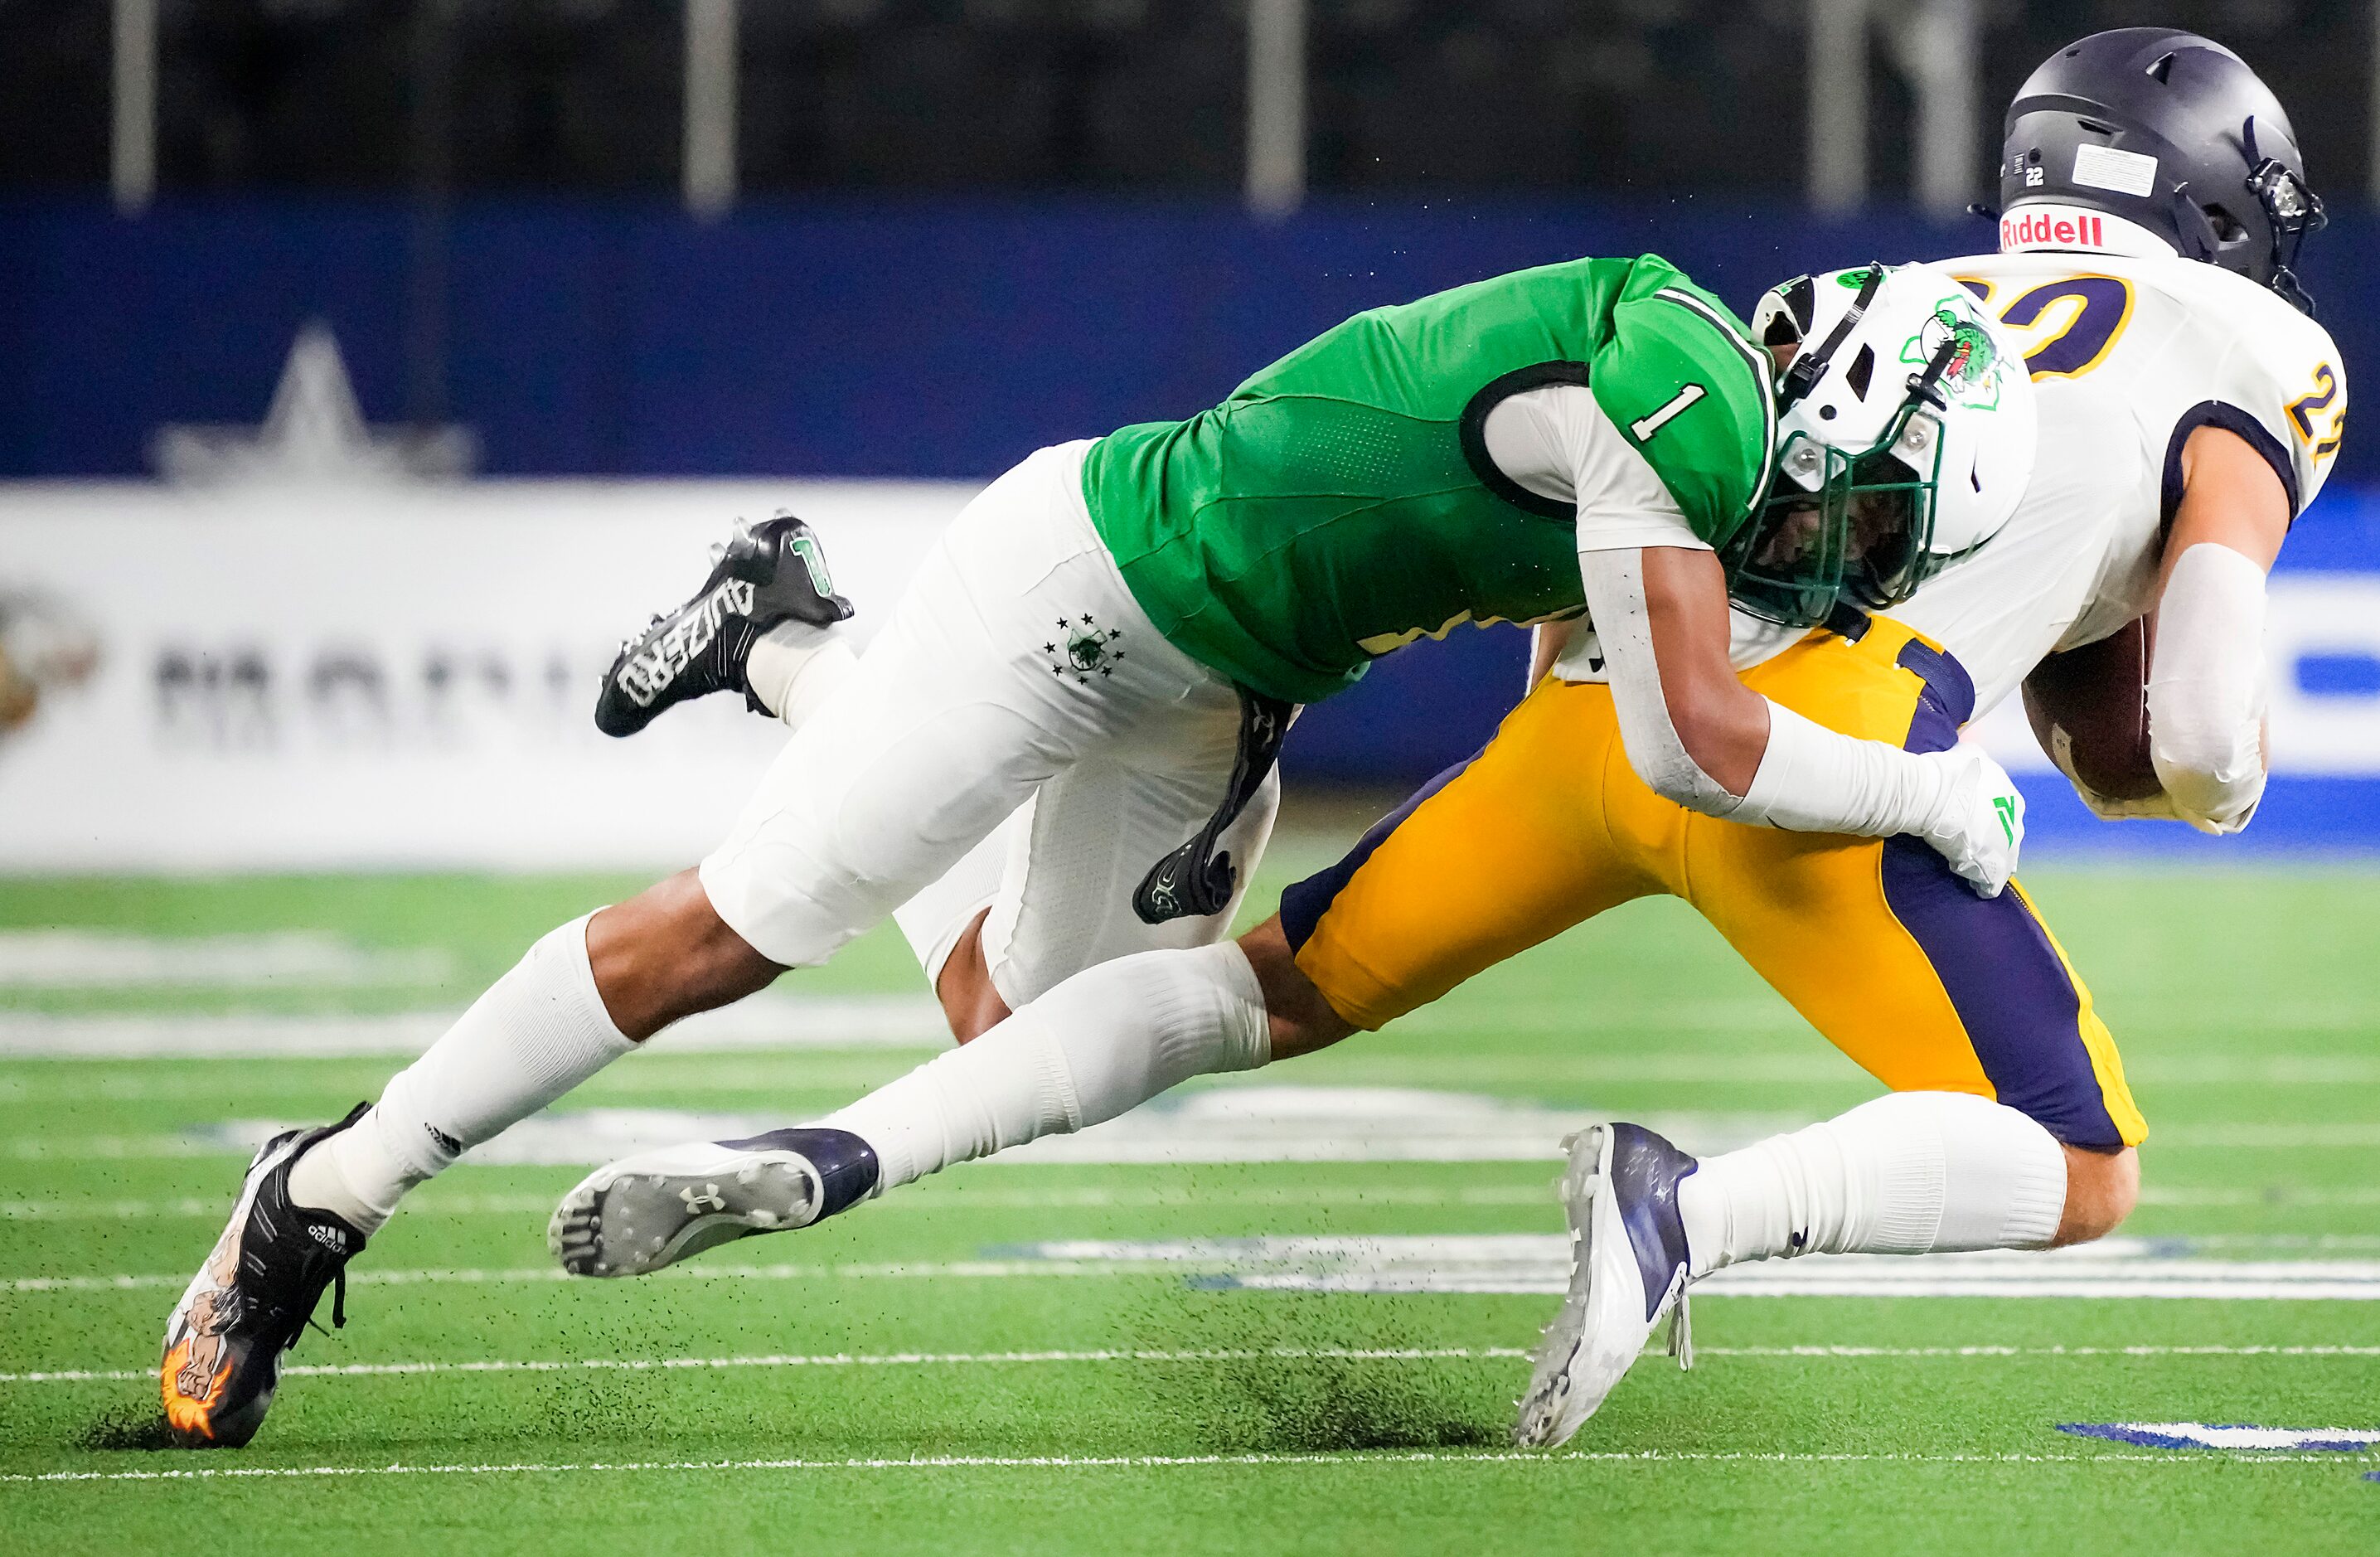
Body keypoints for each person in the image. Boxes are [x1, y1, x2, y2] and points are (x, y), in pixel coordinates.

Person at [546, 27, 2341, 1452]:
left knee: (1256, 992)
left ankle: (841, 1148)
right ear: (2215, 203)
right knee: (2074, 1159)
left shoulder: (1915, 287)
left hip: (1606, 710)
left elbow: (1651, 533)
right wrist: (2207, 786)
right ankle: (1685, 1215)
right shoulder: (2253, 356)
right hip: (1828, 765)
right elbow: (2185, 731)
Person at [159, 250, 2035, 1448]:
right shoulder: (1686, 398)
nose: (1857, 570)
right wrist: (1933, 792)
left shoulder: (1698, 441)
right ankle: (325, 1186)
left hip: (1225, 682)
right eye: (1881, 529)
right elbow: (1689, 738)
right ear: (1857, 410)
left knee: (1026, 1034)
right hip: (1080, 584)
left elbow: (1580, 657)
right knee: (724, 941)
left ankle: (785, 642)